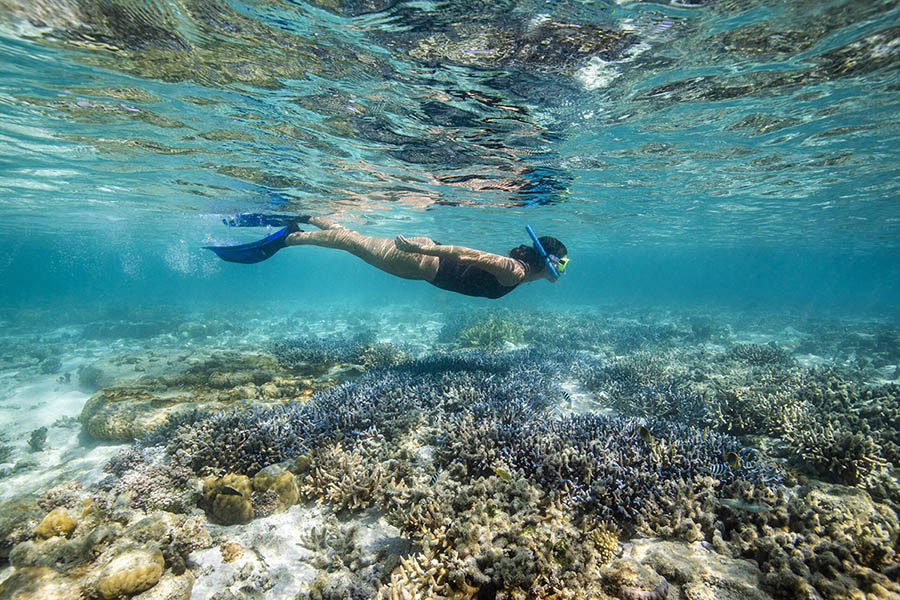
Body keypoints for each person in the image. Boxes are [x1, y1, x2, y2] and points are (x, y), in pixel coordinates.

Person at [206, 214, 568, 299]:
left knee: (353, 239)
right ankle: (289, 237)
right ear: (548, 261)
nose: (563, 271)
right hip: (421, 260)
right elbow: (465, 253)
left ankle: (304, 214)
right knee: (350, 243)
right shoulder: (514, 271)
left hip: (425, 259)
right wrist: (423, 249)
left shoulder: (519, 272)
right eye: (562, 264)